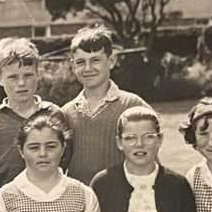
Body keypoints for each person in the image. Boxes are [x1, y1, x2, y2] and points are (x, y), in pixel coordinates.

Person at [0, 38, 71, 197]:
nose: (21, 83)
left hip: (48, 201)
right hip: (2, 206)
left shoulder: (55, 114)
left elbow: (65, 161)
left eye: (28, 75)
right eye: (13, 77)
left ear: (37, 74)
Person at [60, 25, 151, 183]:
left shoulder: (133, 105)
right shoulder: (67, 112)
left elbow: (150, 160)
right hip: (82, 201)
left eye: (95, 60)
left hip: (124, 199)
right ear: (73, 65)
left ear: (111, 61)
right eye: (80, 62)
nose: (88, 68)